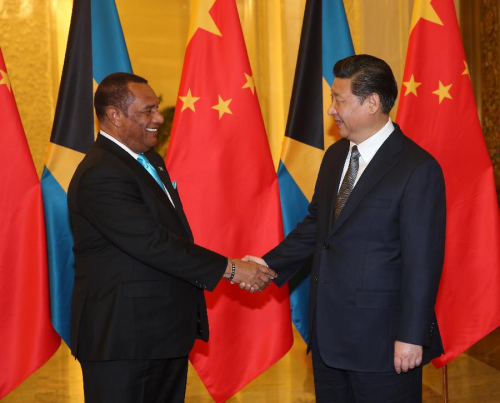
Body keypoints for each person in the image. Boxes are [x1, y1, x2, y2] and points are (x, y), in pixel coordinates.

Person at [244, 55, 446, 402]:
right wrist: (266, 265)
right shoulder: (336, 155)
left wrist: (412, 336)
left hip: (384, 344)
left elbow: (422, 263)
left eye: (339, 99)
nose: (330, 110)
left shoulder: (417, 168)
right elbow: (317, 227)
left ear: (372, 103)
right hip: (328, 340)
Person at [67, 72, 276, 402]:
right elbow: (152, 244)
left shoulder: (149, 160)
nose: (159, 118)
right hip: (124, 340)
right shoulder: (101, 173)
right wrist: (233, 269)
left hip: (161, 334)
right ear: (114, 116)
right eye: (147, 111)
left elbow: (172, 233)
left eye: (157, 108)